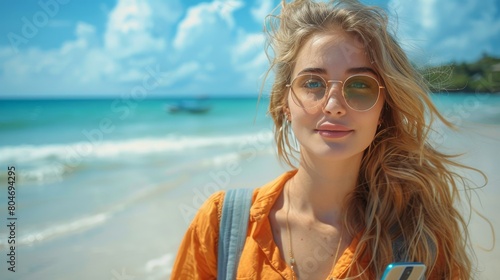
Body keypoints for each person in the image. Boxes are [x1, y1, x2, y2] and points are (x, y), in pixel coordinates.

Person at [171, 0, 484, 279]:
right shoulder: (223, 225)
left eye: (360, 85)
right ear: (284, 102)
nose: (334, 104)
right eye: (312, 83)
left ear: (384, 109)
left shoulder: (418, 238)